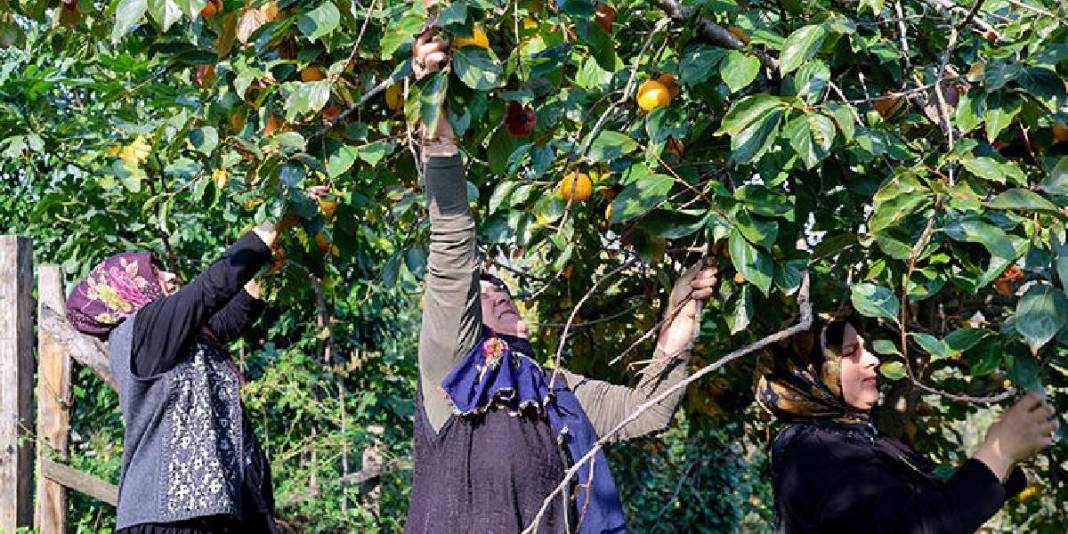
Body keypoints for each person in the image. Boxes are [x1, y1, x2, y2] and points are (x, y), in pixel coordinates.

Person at [404, 29, 720, 533]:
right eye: (485, 294)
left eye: (504, 289)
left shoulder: (553, 388)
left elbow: (644, 413)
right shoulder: (453, 367)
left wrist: (681, 315)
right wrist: (432, 104)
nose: (501, 296)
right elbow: (452, 241)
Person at [66, 221, 287, 533]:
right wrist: (275, 221)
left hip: (199, 515)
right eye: (154, 273)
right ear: (126, 289)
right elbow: (208, 290)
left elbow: (229, 317)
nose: (170, 276)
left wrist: (272, 259)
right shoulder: (143, 330)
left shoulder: (178, 337)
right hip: (168, 520)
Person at [755, 313, 1060, 533]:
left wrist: (1005, 451)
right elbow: (915, 525)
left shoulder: (857, 437)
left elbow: (939, 503)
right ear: (808, 375)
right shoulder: (816, 450)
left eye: (865, 347)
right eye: (850, 353)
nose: (873, 359)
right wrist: (1000, 451)